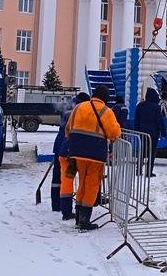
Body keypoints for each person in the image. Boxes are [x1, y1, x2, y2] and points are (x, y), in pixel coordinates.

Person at [65, 85, 121, 231]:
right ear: (106, 98)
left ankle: (78, 216)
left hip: (77, 152)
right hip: (95, 154)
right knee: (91, 186)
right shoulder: (106, 112)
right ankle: (84, 220)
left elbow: (68, 128)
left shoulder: (78, 107)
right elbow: (114, 133)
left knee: (82, 183)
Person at [51, 92, 90, 220]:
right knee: (67, 178)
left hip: (59, 142)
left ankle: (56, 204)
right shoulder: (80, 108)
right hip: (68, 144)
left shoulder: (69, 105)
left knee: (58, 175)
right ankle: (67, 209)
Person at [134, 88, 167, 177]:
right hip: (153, 133)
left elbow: (137, 120)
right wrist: (163, 131)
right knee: (151, 153)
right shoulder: (156, 107)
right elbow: (159, 121)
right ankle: (149, 171)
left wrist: (137, 130)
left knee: (142, 151)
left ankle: (138, 170)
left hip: (142, 132)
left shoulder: (140, 106)